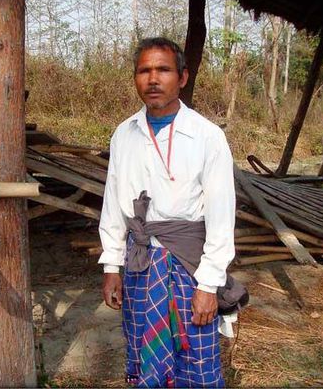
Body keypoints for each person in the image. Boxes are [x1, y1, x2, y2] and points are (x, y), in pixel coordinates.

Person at [98, 37, 235, 388]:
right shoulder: (124, 134)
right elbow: (113, 204)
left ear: (183, 77)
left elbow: (221, 218)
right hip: (140, 263)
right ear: (135, 78)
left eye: (163, 70)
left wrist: (208, 284)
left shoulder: (207, 136)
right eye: (144, 71)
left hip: (189, 266)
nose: (153, 79)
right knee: (144, 348)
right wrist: (112, 266)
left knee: (195, 354)